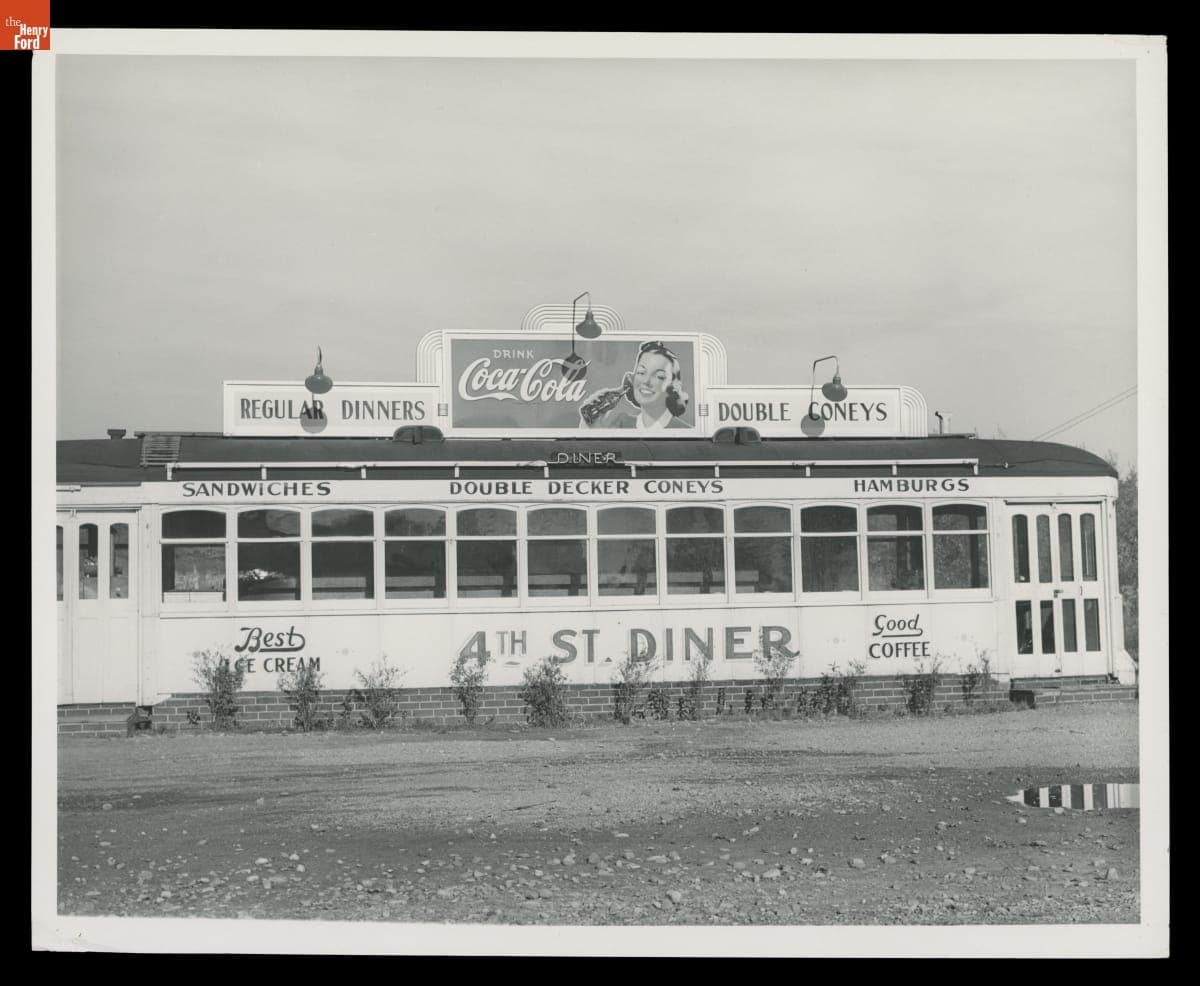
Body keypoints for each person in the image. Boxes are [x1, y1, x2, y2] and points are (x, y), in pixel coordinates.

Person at [579, 341, 691, 430]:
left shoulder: (686, 431)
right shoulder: (621, 424)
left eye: (659, 376)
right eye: (641, 373)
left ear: (674, 387)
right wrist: (590, 430)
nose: (646, 381)